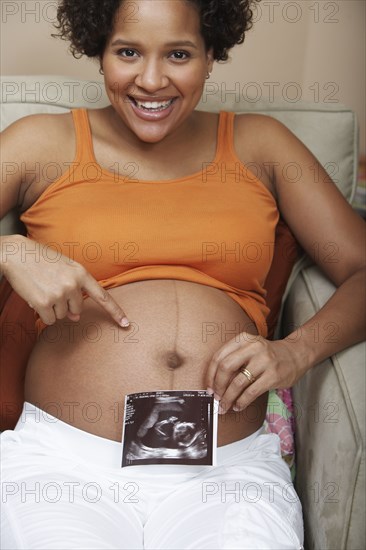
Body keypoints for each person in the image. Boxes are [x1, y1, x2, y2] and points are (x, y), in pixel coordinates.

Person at [0, 0, 365, 548]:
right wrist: (8, 250)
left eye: (178, 53)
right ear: (98, 51)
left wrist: (296, 350)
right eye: (127, 52)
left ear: (211, 55)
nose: (151, 80)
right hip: (65, 466)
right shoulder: (38, 143)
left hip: (227, 476)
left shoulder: (262, 144)